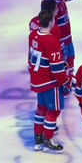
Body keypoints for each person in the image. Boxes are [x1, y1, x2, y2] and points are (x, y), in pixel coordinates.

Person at [29, 10, 69, 153]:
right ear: (51, 21)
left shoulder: (33, 35)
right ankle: (48, 139)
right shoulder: (51, 40)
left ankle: (38, 138)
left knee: (41, 109)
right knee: (53, 110)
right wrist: (65, 82)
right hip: (49, 81)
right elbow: (57, 67)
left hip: (37, 79)